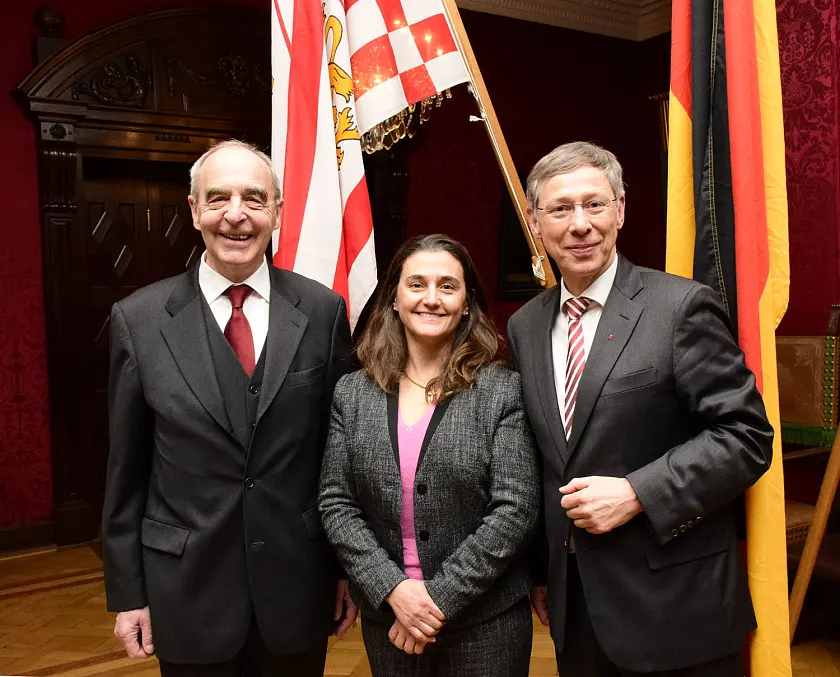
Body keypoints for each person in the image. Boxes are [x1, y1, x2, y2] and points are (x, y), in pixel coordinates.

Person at [507, 141, 774, 677]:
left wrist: (636, 493)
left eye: (595, 204)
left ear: (621, 210)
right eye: (560, 209)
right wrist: (542, 570)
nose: (579, 224)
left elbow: (745, 435)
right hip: (576, 608)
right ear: (536, 222)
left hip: (678, 608)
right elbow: (544, 458)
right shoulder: (525, 326)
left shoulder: (680, 307)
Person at [102, 139, 356, 677]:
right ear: (193, 211)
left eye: (253, 198)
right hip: (185, 591)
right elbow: (126, 471)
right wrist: (128, 593)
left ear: (278, 212)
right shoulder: (139, 320)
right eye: (217, 198)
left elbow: (339, 460)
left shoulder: (323, 311)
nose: (235, 215)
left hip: (297, 586)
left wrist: (345, 571)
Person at [319, 234, 540, 676]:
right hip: (389, 620)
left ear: (466, 303)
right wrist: (394, 591)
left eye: (447, 286)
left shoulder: (501, 389)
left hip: (485, 624)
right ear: (395, 300)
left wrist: (435, 600)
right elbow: (336, 503)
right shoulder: (353, 392)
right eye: (416, 284)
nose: (431, 299)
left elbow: (515, 509)